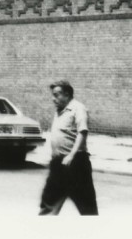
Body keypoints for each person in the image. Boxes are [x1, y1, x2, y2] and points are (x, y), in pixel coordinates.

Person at [38, 79, 99, 215]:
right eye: (53, 95)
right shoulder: (59, 110)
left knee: (86, 205)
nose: (53, 99)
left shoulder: (78, 108)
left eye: (56, 95)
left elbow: (82, 132)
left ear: (67, 94)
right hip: (58, 164)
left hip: (75, 164)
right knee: (49, 201)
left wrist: (71, 155)